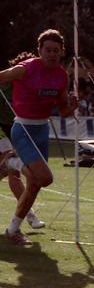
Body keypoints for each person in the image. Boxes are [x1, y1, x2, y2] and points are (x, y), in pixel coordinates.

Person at [0, 29, 78, 245]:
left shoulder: (62, 75)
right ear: (39, 51)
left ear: (62, 52)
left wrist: (71, 107)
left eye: (56, 50)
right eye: (47, 50)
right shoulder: (24, 69)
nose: (51, 54)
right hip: (22, 128)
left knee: (34, 184)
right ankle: (11, 162)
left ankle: (13, 229)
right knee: (45, 178)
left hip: (42, 131)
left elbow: (62, 111)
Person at [0, 52, 45, 230]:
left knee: (14, 172)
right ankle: (30, 214)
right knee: (9, 160)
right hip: (1, 127)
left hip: (17, 128)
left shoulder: (32, 85)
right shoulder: (7, 83)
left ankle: (28, 214)